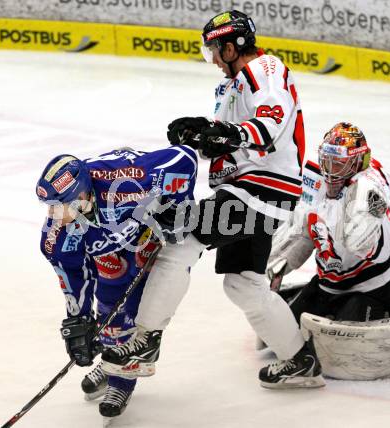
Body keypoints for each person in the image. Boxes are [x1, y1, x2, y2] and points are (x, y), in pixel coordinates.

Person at [101, 10, 325, 390]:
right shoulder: (231, 86)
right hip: (250, 192)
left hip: (259, 190)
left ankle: (145, 341)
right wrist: (201, 134)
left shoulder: (264, 68)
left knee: (180, 241)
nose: (214, 60)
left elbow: (267, 126)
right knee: (243, 284)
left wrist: (223, 133)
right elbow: (228, 144)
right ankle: (300, 361)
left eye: (214, 50)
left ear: (232, 45)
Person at [37, 145, 197, 422]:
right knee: (108, 302)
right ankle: (110, 357)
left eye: (58, 205)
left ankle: (122, 380)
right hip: (109, 244)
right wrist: (79, 321)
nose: (53, 215)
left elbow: (186, 158)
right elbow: (74, 276)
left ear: (81, 196)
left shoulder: (127, 181)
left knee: (133, 309)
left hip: (142, 235)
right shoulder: (57, 236)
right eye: (50, 206)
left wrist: (178, 207)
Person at [267, 122, 390, 325]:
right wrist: (281, 262)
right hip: (332, 282)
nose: (329, 170)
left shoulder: (370, 187)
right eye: (327, 161)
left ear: (357, 162)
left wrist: (346, 216)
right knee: (280, 331)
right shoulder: (317, 180)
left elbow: (360, 245)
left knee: (347, 346)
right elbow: (304, 230)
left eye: (338, 163)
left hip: (378, 282)